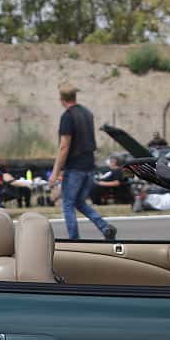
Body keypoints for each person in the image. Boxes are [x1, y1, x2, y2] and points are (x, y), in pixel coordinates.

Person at [50, 85, 115, 241]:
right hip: (89, 166)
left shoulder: (67, 116)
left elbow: (64, 146)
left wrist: (55, 172)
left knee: (67, 204)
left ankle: (74, 240)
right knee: (79, 202)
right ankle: (105, 227)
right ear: (75, 97)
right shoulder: (87, 113)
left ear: (61, 99)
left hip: (75, 168)